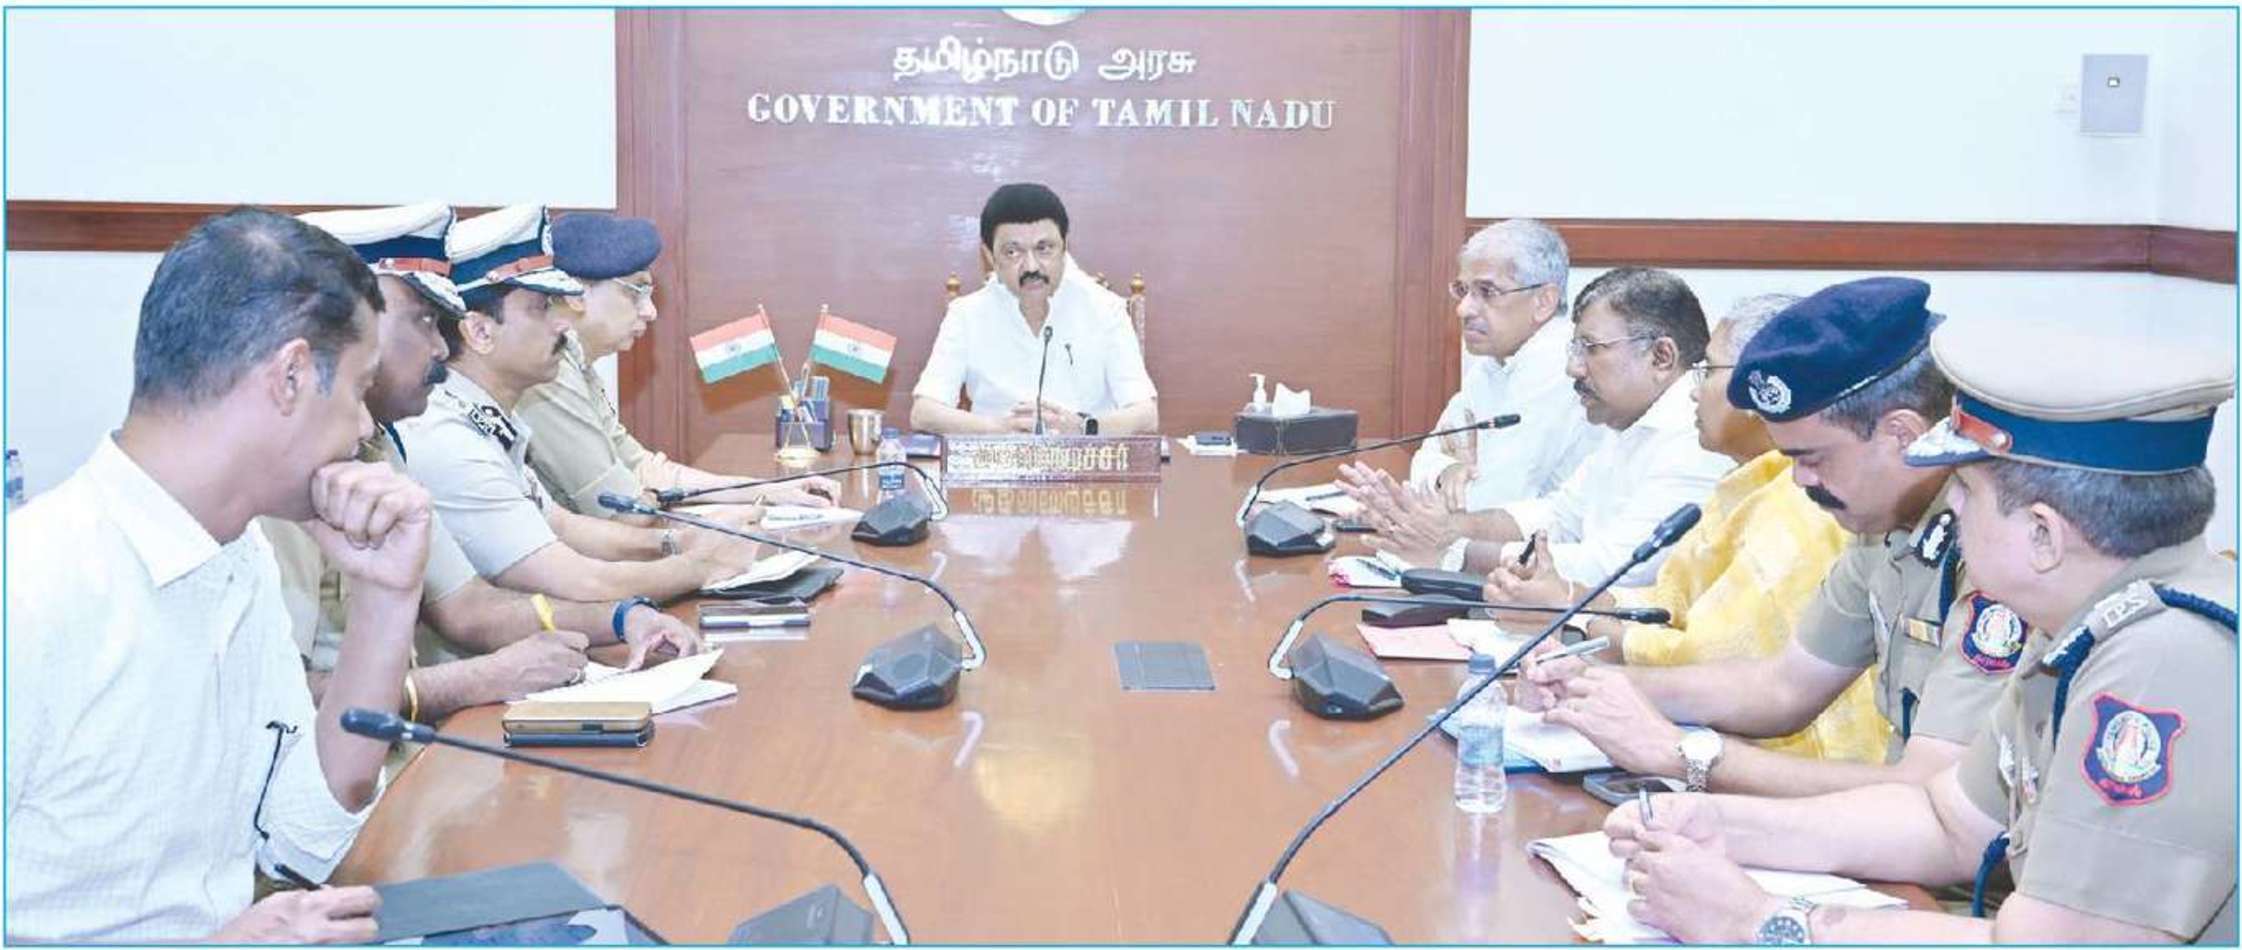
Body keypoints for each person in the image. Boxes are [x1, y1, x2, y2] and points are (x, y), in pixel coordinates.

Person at [1605, 314, 2236, 944]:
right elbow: (1945, 821)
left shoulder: (2165, 659)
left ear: (2043, 535)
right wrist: (1719, 824)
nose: (1949, 504)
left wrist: (1764, 922)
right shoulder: (2081, 622)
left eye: (1966, 488)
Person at [7, 208, 412, 940]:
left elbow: (302, 841)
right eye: (360, 390)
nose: (363, 429)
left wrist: (387, 597)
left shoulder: (239, 555)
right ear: (291, 376)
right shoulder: (31, 593)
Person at [1517, 277, 2020, 798]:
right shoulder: (1881, 528)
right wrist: (1595, 685)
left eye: (1813, 458)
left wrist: (1683, 754)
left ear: (1902, 436)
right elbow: (1783, 687)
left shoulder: (1995, 550)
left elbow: (1926, 795)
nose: (1799, 479)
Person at [274, 204, 702, 725]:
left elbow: (468, 606)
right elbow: (276, 702)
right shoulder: (282, 481)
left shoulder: (383, 446)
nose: (441, 345)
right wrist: (484, 677)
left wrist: (622, 617)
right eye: (425, 320)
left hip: (402, 745)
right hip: (380, 758)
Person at [1483, 293, 1888, 764]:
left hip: (1800, 770)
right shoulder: (1751, 480)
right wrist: (1569, 601)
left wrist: (1571, 617)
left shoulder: (1800, 503)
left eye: (1708, 371)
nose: (1694, 391)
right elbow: (1668, 604)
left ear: (1762, 390)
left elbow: (1710, 656)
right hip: (1716, 745)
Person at [397, 205, 760, 602]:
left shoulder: (491, 414)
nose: (563, 323)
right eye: (543, 308)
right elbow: (579, 580)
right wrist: (702, 564)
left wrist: (680, 540)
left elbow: (565, 527)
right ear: (480, 332)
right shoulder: (450, 435)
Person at [1344, 266, 1733, 587]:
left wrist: (1455, 551)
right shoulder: (1629, 422)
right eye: (1575, 349)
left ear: (1661, 356)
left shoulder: (1697, 439)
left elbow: (1615, 567)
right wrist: (1450, 527)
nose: (1573, 368)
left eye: (1591, 348)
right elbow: (1558, 517)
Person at [518, 211, 837, 519]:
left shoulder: (576, 364)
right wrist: (736, 517)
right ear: (574, 293)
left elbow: (642, 468)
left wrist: (768, 491)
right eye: (636, 291)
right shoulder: (545, 373)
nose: (651, 312)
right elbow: (619, 507)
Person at [910, 182, 1158, 436]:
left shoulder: (1105, 309)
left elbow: (1146, 415)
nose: (1031, 267)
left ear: (1064, 247)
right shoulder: (966, 314)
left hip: (1084, 457)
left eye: (1044, 249)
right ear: (989, 256)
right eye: (1012, 252)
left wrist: (1082, 428)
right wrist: (999, 428)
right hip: (995, 456)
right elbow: (924, 413)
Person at [1407, 218, 1603, 512]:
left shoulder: (1559, 365)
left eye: (1487, 292)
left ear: (1543, 302)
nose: (1463, 309)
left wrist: (1466, 479)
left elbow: (1498, 500)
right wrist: (1448, 470)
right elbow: (1427, 457)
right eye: (1463, 290)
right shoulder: (1493, 362)